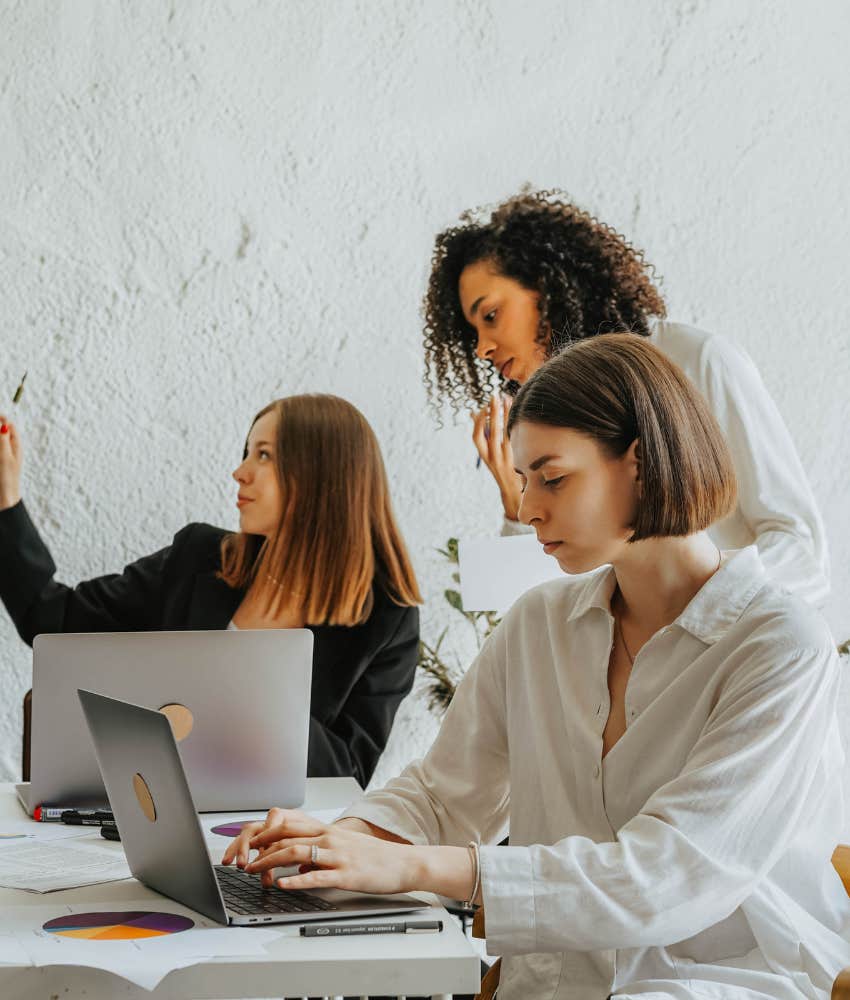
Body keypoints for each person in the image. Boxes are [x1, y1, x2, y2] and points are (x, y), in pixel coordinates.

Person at [224, 337, 849, 1000]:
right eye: (522, 481)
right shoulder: (539, 624)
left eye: (551, 477)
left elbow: (668, 878)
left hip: (725, 983)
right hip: (554, 981)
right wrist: (335, 842)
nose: (527, 510)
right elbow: (444, 794)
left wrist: (413, 866)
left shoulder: (781, 645)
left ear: (639, 462)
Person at [422, 189, 829, 607]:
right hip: (623, 666)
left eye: (490, 316)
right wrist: (516, 496)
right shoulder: (546, 424)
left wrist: (696, 611)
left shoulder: (698, 362)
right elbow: (542, 605)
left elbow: (801, 550)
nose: (481, 349)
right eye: (472, 332)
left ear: (548, 287)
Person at [0, 394, 421, 786]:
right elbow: (50, 620)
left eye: (264, 455)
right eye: (246, 452)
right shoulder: (199, 557)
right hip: (151, 806)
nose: (240, 471)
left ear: (324, 475)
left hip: (270, 838)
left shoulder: (387, 618)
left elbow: (346, 777)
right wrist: (7, 501)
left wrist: (257, 682)